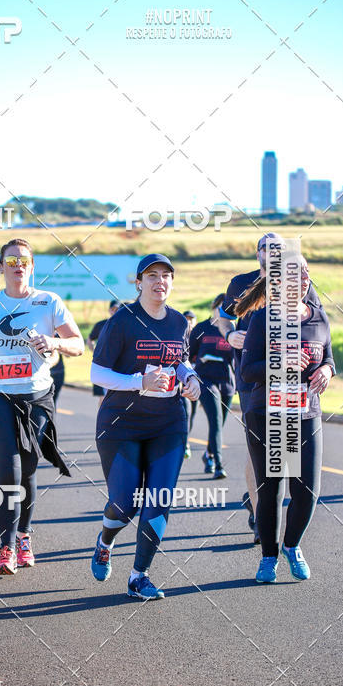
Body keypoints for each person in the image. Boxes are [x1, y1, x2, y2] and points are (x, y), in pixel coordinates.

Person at [0, 238, 84, 575]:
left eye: (24, 260)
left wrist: (54, 341)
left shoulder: (49, 302)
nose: (18, 266)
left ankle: (25, 535)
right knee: (9, 467)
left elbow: (79, 344)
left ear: (32, 267)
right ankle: (6, 547)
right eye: (11, 260)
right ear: (1, 267)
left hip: (36, 397)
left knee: (29, 468)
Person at [90, 254, 201, 600]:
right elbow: (97, 374)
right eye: (152, 275)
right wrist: (140, 381)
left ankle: (139, 576)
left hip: (168, 423)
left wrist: (190, 376)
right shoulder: (122, 320)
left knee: (159, 500)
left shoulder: (178, 321)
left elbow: (177, 360)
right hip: (121, 423)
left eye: (166, 275)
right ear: (139, 282)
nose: (160, 281)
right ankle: (105, 541)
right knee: (124, 505)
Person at [215, 232, 322, 540]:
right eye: (265, 247)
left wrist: (321, 364)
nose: (271, 252)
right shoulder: (240, 283)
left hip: (290, 378)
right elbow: (221, 318)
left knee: (285, 445)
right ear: (257, 252)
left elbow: (315, 320)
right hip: (252, 374)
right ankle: (264, 515)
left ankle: (267, 509)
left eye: (277, 248)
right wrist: (228, 335)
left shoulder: (299, 281)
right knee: (258, 447)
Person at [239, 255, 334, 583]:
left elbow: (330, 358)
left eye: (306, 273)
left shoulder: (319, 317)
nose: (303, 279)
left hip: (306, 412)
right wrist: (281, 363)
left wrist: (326, 370)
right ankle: (268, 557)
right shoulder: (263, 319)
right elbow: (248, 371)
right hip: (267, 412)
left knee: (307, 490)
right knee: (271, 489)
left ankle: (291, 546)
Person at [189, 294, 234, 479]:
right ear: (214, 307)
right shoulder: (201, 328)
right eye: (222, 307)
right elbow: (188, 354)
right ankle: (218, 464)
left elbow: (238, 359)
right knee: (215, 420)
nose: (225, 311)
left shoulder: (232, 330)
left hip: (227, 382)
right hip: (205, 380)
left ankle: (208, 454)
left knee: (219, 425)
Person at [87, 300, 122, 404]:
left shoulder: (124, 324)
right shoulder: (101, 324)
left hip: (118, 366)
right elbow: (90, 339)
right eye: (114, 309)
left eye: (118, 309)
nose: (115, 311)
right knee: (103, 397)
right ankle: (102, 419)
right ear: (109, 310)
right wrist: (95, 352)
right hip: (103, 364)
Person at [182, 310, 198, 458]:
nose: (189, 321)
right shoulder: (181, 334)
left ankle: (186, 438)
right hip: (183, 380)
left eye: (191, 319)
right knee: (186, 412)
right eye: (186, 319)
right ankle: (184, 443)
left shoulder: (199, 334)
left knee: (192, 413)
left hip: (196, 379)